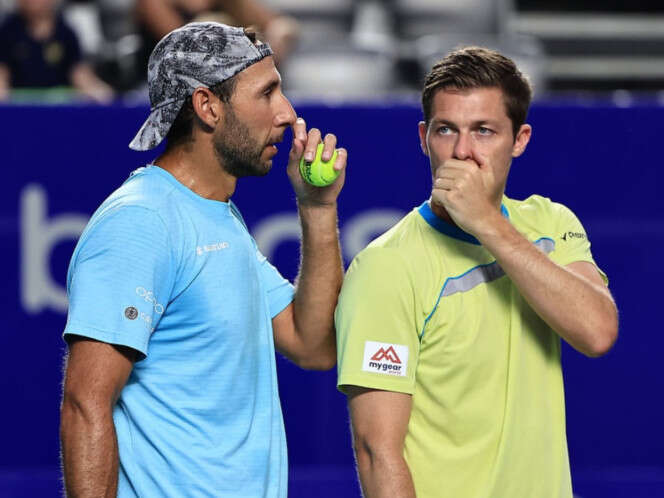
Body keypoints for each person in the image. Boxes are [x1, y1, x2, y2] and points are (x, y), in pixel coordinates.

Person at [60, 22, 346, 497]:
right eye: (268, 93)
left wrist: (318, 209)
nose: (288, 114)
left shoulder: (216, 215)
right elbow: (85, 404)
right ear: (207, 106)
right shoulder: (142, 221)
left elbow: (311, 342)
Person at [335, 46, 618, 498]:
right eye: (447, 130)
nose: (463, 152)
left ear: (520, 139)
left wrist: (487, 223)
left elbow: (597, 331)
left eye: (484, 131)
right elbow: (376, 452)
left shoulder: (550, 222)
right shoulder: (386, 267)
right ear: (424, 137)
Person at [0, 0, 113, 102]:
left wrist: (96, 89)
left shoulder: (66, 32)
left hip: (58, 106)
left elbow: (77, 71)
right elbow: (2, 72)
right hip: (20, 105)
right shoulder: (8, 31)